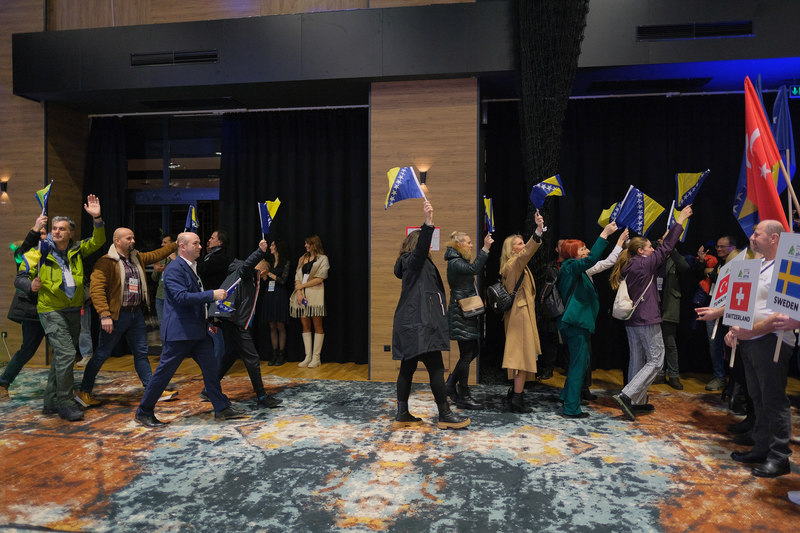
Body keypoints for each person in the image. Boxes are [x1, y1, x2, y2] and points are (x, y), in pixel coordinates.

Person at [134, 232, 245, 428]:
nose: (201, 246)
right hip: (180, 333)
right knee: (163, 374)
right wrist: (212, 295)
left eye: (200, 243)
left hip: (197, 331)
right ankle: (144, 412)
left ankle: (221, 407)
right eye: (196, 243)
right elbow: (181, 297)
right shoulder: (174, 269)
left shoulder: (190, 266)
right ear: (182, 247)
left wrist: (207, 321)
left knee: (211, 369)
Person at [20, 196, 106, 421]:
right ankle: (65, 403)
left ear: (71, 233)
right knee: (68, 354)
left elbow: (98, 241)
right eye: (54, 228)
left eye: (62, 229)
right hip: (50, 309)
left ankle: (50, 401)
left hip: (74, 309)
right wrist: (30, 285)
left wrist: (97, 218)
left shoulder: (77, 249)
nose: (57, 232)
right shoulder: (40, 250)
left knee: (62, 356)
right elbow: (19, 274)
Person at [723, 221, 795, 478]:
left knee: (773, 400)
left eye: (757, 233)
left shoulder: (788, 266)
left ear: (774, 238)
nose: (752, 237)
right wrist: (734, 330)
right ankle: (762, 447)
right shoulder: (758, 265)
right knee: (758, 397)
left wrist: (751, 331)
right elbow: (743, 304)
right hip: (751, 341)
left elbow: (782, 314)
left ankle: (779, 456)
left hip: (771, 341)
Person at [76, 228, 178, 407]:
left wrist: (176, 244)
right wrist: (104, 314)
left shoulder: (136, 258)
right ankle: (84, 391)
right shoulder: (106, 262)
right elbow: (96, 289)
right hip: (115, 315)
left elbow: (156, 254)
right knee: (101, 354)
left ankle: (152, 391)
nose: (133, 241)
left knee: (141, 353)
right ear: (117, 241)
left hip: (135, 314)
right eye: (128, 238)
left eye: (133, 238)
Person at [609, 205, 693, 420]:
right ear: (641, 251)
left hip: (632, 320)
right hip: (647, 318)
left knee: (637, 360)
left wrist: (666, 234)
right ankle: (627, 395)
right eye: (649, 248)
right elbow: (666, 249)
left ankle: (636, 402)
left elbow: (661, 248)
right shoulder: (644, 265)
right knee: (656, 360)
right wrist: (680, 220)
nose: (653, 250)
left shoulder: (631, 264)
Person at [392, 200, 469, 429]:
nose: (429, 249)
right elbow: (419, 252)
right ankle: (444, 414)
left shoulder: (409, 265)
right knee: (435, 367)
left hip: (412, 324)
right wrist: (428, 223)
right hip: (421, 325)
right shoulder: (413, 261)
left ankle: (402, 414)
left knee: (407, 367)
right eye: (425, 245)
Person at [556, 222, 618, 419]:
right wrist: (605, 234)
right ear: (572, 253)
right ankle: (571, 408)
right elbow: (591, 260)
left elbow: (596, 262)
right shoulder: (570, 267)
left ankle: (566, 397)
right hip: (575, 323)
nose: (587, 251)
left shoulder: (575, 269)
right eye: (582, 249)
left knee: (580, 362)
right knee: (579, 364)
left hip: (577, 323)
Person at [210, 239, 282, 408]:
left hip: (229, 317)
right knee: (253, 358)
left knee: (230, 355)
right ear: (262, 270)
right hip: (234, 320)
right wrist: (260, 251)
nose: (263, 278)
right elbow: (248, 266)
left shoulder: (242, 274)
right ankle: (262, 397)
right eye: (264, 275)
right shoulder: (247, 273)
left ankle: (208, 389)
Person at [499, 210, 546, 413]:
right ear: (511, 250)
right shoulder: (514, 264)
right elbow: (528, 252)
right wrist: (538, 231)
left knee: (521, 357)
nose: (523, 245)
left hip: (519, 315)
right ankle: (517, 400)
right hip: (520, 317)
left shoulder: (515, 266)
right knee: (521, 358)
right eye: (519, 244)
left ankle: (516, 394)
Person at [1, 214, 48, 400]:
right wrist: (36, 229)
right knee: (27, 350)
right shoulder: (25, 254)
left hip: (54, 309)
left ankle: (61, 389)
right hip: (32, 310)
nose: (43, 237)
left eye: (45, 234)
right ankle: (3, 383)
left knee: (63, 350)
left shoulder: (54, 252)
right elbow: (22, 252)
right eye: (39, 234)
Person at [444, 230, 493, 409]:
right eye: (469, 242)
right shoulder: (455, 262)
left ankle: (450, 384)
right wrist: (485, 249)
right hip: (461, 313)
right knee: (466, 354)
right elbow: (474, 269)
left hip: (465, 312)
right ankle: (463, 394)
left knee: (474, 350)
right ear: (459, 244)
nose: (471, 245)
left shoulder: (458, 260)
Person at [697, 235, 740, 391]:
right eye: (717, 246)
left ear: (732, 248)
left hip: (731, 310)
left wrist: (711, 273)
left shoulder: (740, 263)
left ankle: (736, 381)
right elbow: (708, 274)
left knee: (733, 346)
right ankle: (719, 377)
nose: (718, 249)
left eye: (722, 247)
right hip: (714, 309)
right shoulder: (719, 263)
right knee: (714, 344)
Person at [653, 234, 691, 390]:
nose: (665, 241)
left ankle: (674, 375)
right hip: (653, 304)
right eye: (663, 239)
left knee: (669, 342)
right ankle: (660, 373)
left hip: (669, 305)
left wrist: (672, 249)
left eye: (668, 239)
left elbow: (685, 267)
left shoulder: (675, 258)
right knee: (656, 342)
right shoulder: (655, 255)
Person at [289, 234, 329, 368]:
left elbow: (320, 278)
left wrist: (302, 286)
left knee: (317, 325)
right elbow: (297, 276)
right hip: (302, 296)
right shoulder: (303, 258)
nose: (305, 245)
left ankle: (316, 357)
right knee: (305, 325)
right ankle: (308, 356)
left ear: (314, 244)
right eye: (305, 243)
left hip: (316, 294)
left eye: (308, 243)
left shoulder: (323, 259)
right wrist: (299, 292)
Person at [198, 229, 230, 366]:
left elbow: (201, 269)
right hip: (207, 300)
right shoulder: (210, 256)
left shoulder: (220, 258)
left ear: (220, 242)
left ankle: (217, 366)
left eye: (212, 238)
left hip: (215, 302)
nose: (209, 240)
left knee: (216, 333)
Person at [261, 239, 291, 366]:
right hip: (270, 294)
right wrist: (263, 273)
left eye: (273, 245)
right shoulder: (270, 262)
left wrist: (269, 274)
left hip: (280, 294)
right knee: (272, 325)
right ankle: (274, 354)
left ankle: (281, 354)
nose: (270, 247)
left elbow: (283, 280)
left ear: (278, 247)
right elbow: (265, 279)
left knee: (280, 325)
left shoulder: (285, 262)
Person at [151, 234, 177, 326]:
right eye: (162, 242)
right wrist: (156, 271)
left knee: (173, 326)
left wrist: (174, 260)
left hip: (174, 297)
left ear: (173, 244)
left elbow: (183, 275)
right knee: (162, 325)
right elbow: (154, 279)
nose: (162, 245)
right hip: (160, 296)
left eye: (165, 242)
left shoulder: (180, 257)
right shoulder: (161, 256)